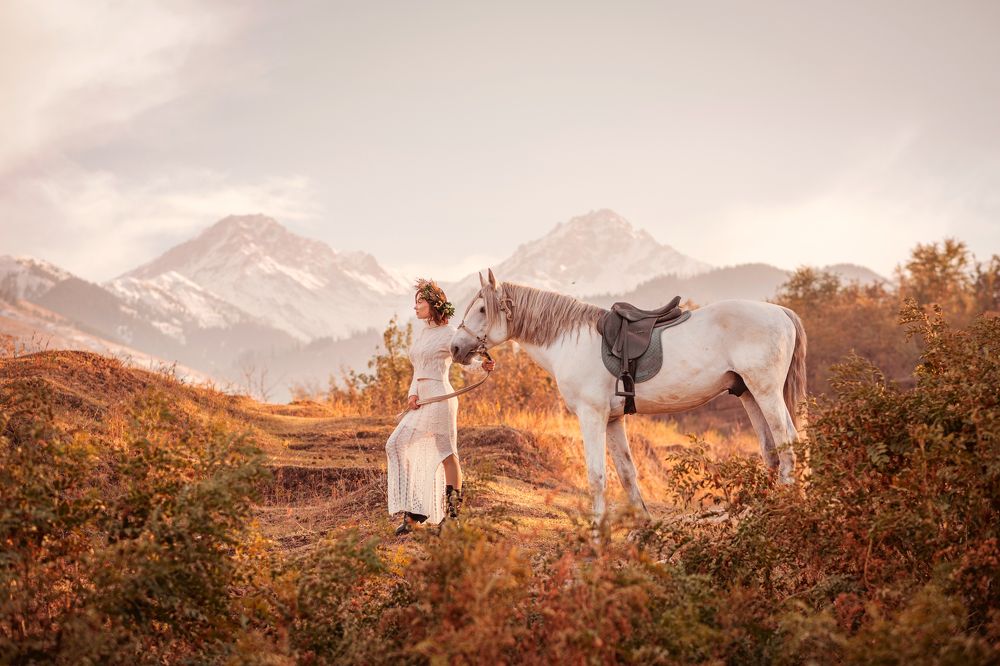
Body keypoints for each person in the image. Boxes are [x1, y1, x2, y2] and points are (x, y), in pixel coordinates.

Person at [385, 278, 495, 535]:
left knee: (447, 454)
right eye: (415, 302)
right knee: (396, 444)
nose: (416, 307)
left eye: (420, 302)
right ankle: (417, 507)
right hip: (422, 400)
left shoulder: (449, 334)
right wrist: (412, 394)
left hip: (440, 397)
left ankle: (452, 515)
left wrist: (483, 365)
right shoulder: (423, 333)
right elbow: (417, 369)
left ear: (434, 304)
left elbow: (464, 360)